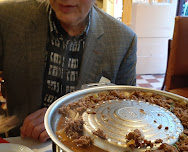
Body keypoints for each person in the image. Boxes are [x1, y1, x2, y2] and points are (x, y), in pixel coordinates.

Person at [0, 0, 137, 142]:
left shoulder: (123, 40)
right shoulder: (8, 18)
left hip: (88, 150)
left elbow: (127, 114)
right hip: (19, 150)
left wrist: (61, 119)